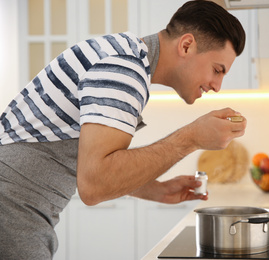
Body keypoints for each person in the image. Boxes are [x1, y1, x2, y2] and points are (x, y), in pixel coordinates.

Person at [0, 0, 247, 259]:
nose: (217, 85)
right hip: (13, 209)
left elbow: (97, 161)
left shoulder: (122, 54)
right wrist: (191, 138)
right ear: (186, 45)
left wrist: (155, 189)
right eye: (217, 70)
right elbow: (94, 184)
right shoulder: (123, 69)